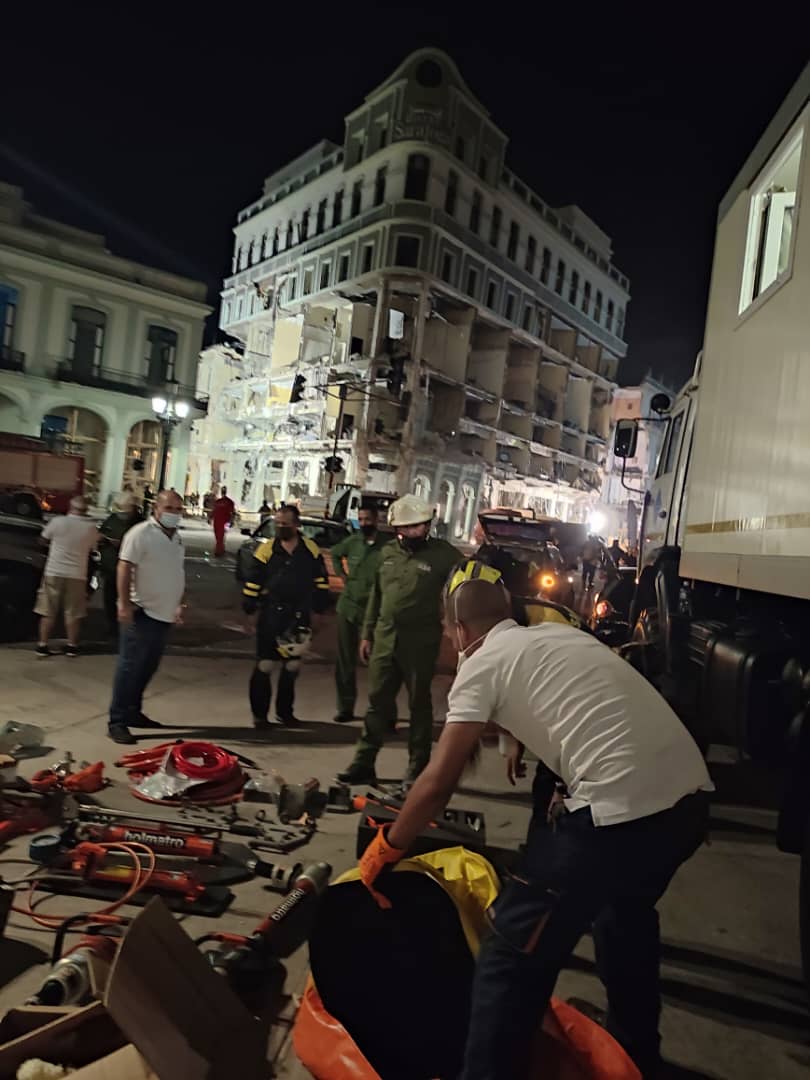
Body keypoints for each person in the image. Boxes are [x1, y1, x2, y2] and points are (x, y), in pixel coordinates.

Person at [359, 568, 712, 1080]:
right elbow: (585, 708)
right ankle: (636, 1055)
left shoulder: (481, 664)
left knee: (510, 951)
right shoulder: (557, 635)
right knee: (623, 917)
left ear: (458, 628)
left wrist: (387, 847)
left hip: (619, 814)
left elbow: (438, 781)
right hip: (685, 805)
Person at [338, 494, 462, 786]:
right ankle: (363, 764)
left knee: (419, 706)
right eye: (408, 527)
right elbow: (377, 596)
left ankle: (418, 769)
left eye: (419, 526)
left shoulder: (445, 556)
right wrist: (367, 634)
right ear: (397, 529)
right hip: (384, 639)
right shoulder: (387, 553)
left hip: (420, 642)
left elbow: (465, 592)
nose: (414, 532)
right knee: (377, 704)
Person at [107, 490, 186, 745]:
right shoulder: (140, 534)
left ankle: (132, 711)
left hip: (163, 614)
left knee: (148, 666)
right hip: (142, 611)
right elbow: (124, 566)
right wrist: (124, 603)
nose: (174, 513)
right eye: (169, 508)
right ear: (156, 509)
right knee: (129, 667)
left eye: (178, 509)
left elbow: (175, 572)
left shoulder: (177, 539)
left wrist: (177, 605)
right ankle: (117, 721)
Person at [241, 504, 329, 728]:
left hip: (298, 616)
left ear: (297, 525)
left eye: (285, 524)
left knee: (292, 666)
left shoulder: (310, 549)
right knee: (266, 665)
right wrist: (250, 611)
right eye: (278, 524)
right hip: (271, 615)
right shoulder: (266, 550)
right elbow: (253, 582)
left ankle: (285, 712)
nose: (281, 527)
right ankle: (260, 716)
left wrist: (319, 612)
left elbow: (321, 582)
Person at [329, 503, 388, 723]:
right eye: (361, 519)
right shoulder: (353, 542)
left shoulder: (387, 546)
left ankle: (380, 710)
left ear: (376, 520)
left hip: (373, 611)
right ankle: (345, 707)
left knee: (379, 663)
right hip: (348, 607)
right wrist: (343, 577)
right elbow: (335, 555)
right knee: (345, 660)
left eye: (368, 519)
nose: (364, 523)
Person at [33, 495, 99, 658]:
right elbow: (93, 549)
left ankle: (42, 645)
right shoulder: (91, 528)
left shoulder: (58, 522)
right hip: (77, 574)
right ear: (86, 510)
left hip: (54, 571)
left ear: (70, 508)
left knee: (48, 609)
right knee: (73, 612)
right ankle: (72, 646)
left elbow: (42, 540)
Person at [98, 494, 143, 635]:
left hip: (132, 570)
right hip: (111, 568)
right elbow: (101, 534)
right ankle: (113, 628)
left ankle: (128, 629)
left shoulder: (140, 524)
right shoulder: (113, 519)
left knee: (130, 600)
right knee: (110, 600)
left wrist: (122, 543)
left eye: (127, 510)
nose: (124, 513)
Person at [210, 486, 235, 557]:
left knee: (220, 536)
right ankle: (221, 549)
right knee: (219, 536)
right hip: (219, 522)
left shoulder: (227, 502)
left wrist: (231, 521)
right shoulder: (220, 502)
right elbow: (214, 511)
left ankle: (219, 550)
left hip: (223, 522)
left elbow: (232, 512)